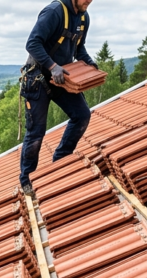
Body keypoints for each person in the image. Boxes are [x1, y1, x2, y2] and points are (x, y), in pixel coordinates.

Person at [20, 0, 96, 194]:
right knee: (36, 133)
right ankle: (27, 180)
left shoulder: (83, 17)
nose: (89, 1)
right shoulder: (55, 11)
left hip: (61, 79)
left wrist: (89, 63)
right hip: (37, 77)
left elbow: (79, 49)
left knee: (82, 115)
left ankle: (60, 162)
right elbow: (32, 43)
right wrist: (52, 66)